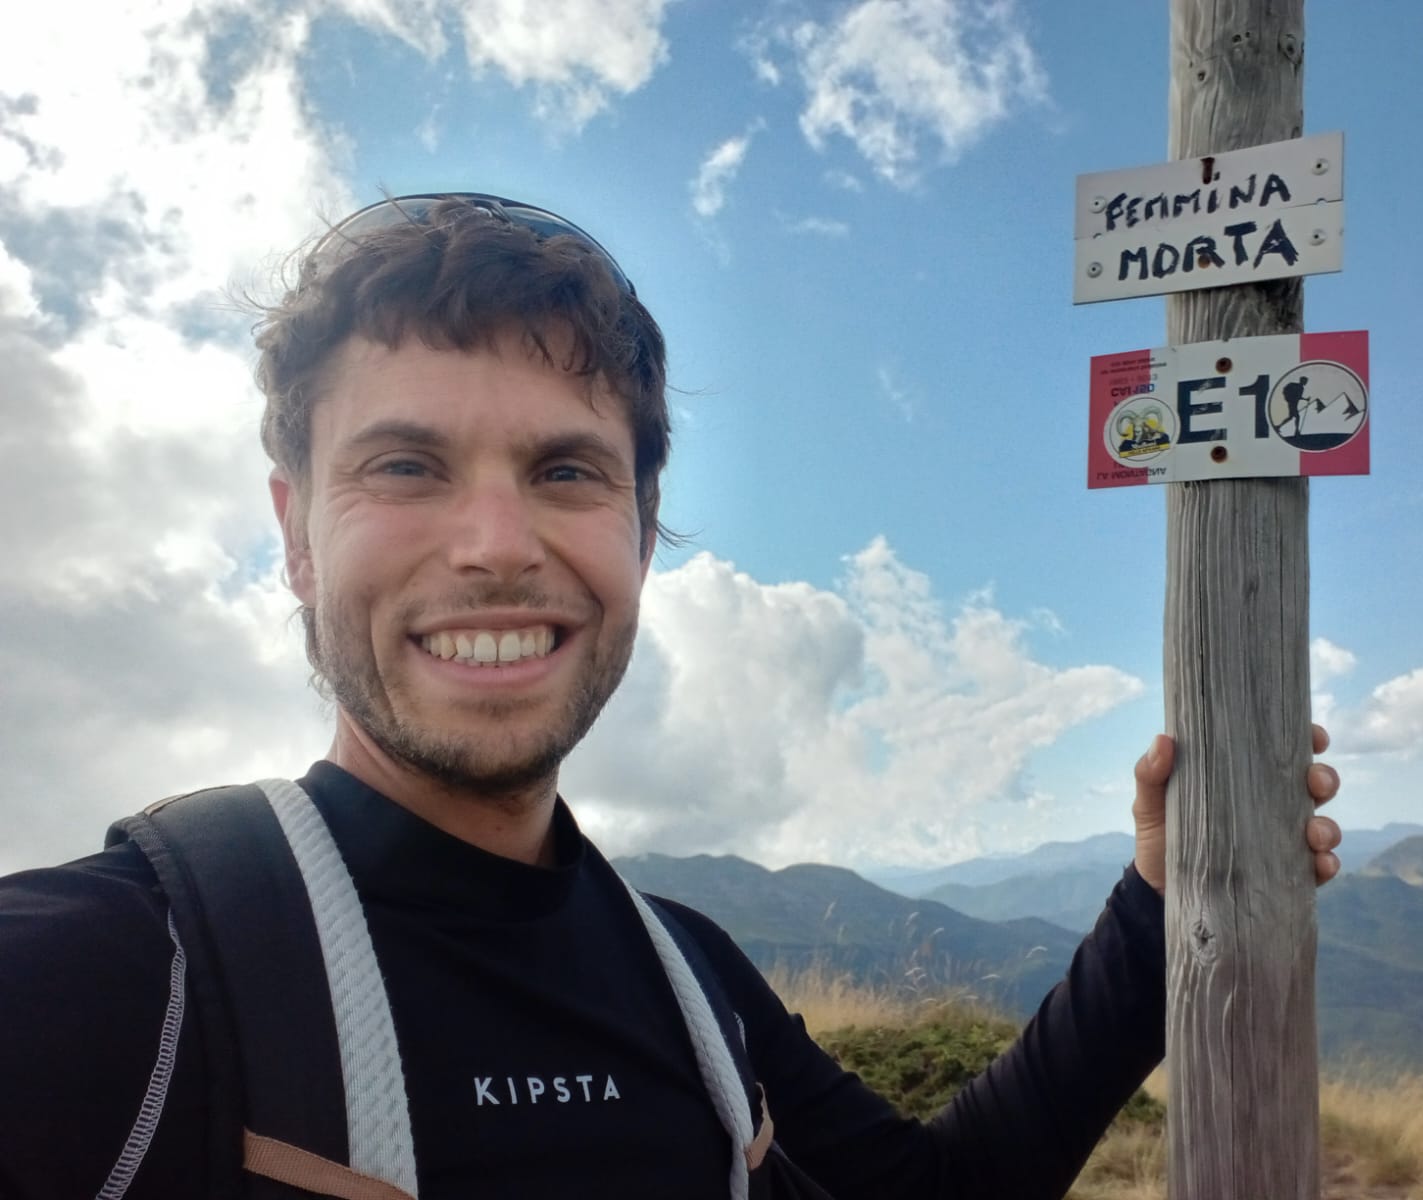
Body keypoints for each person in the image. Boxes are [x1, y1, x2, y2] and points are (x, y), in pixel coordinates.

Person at [0, 194, 1343, 1200]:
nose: (494, 543)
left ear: (643, 531)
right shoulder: (115, 977)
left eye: (567, 473)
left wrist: (1158, 909)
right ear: (295, 534)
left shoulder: (689, 980)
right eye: (405, 465)